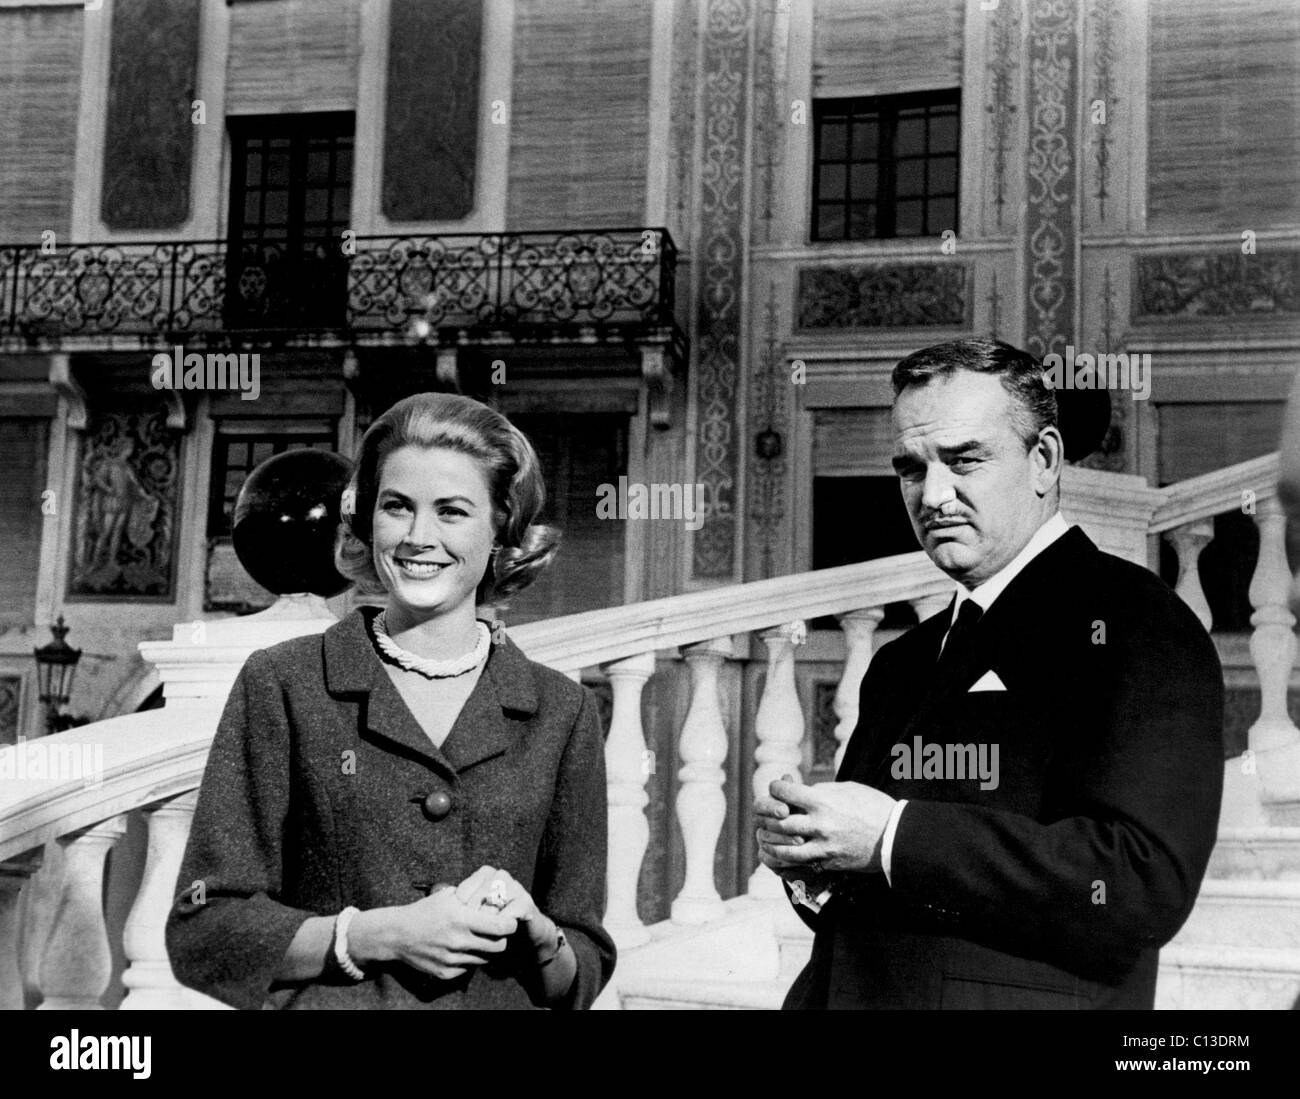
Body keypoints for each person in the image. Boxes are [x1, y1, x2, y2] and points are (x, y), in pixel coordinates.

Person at [756, 338, 1224, 1009]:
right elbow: (880, 904)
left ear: (1045, 460)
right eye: (911, 468)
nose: (934, 495)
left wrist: (891, 836)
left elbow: (1136, 886)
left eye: (964, 459)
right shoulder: (900, 662)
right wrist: (816, 860)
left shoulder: (1141, 625)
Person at [166, 392, 615, 1009]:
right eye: (397, 507)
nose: (418, 537)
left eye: (452, 512)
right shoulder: (283, 683)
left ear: (500, 531)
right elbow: (204, 931)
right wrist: (373, 935)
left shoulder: (563, 713)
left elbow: (583, 967)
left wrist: (540, 936)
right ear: (367, 521)